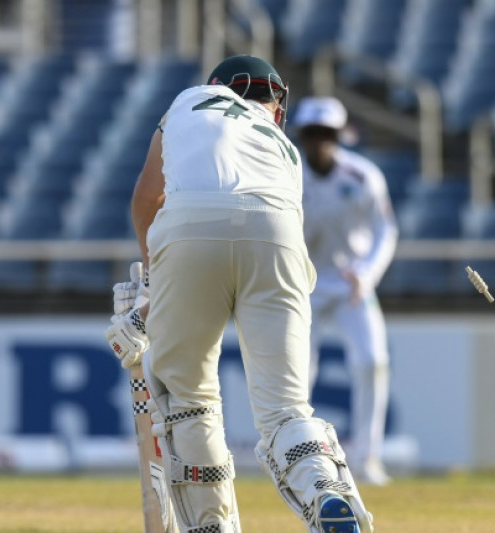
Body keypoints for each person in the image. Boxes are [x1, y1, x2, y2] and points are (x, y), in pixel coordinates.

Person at [104, 55, 374, 533]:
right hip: (278, 235)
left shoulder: (189, 102)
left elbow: (148, 198)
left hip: (188, 230)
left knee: (188, 398)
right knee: (287, 407)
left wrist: (151, 288)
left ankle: (211, 525)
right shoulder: (283, 146)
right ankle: (323, 489)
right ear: (273, 104)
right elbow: (251, 228)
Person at [293, 97, 398, 486]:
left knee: (372, 361)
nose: (321, 142)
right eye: (313, 134)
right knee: (298, 374)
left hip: (352, 285)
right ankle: (297, 458)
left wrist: (368, 273)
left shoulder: (362, 175)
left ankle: (366, 458)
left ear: (340, 136)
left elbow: (386, 230)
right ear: (302, 137)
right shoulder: (287, 175)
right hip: (303, 286)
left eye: (328, 134)